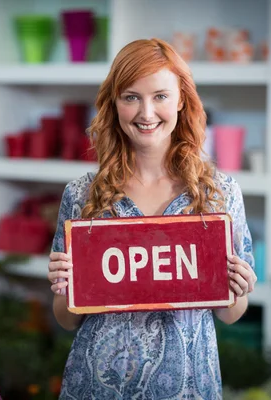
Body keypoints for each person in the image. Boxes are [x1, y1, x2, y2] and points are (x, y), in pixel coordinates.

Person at [47, 38, 257, 399]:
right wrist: (64, 286)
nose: (146, 113)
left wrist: (237, 288)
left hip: (188, 387)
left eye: (160, 96)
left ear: (181, 100)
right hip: (98, 388)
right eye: (131, 97)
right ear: (114, 104)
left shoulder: (218, 194)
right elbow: (66, 318)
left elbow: (230, 314)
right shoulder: (82, 194)